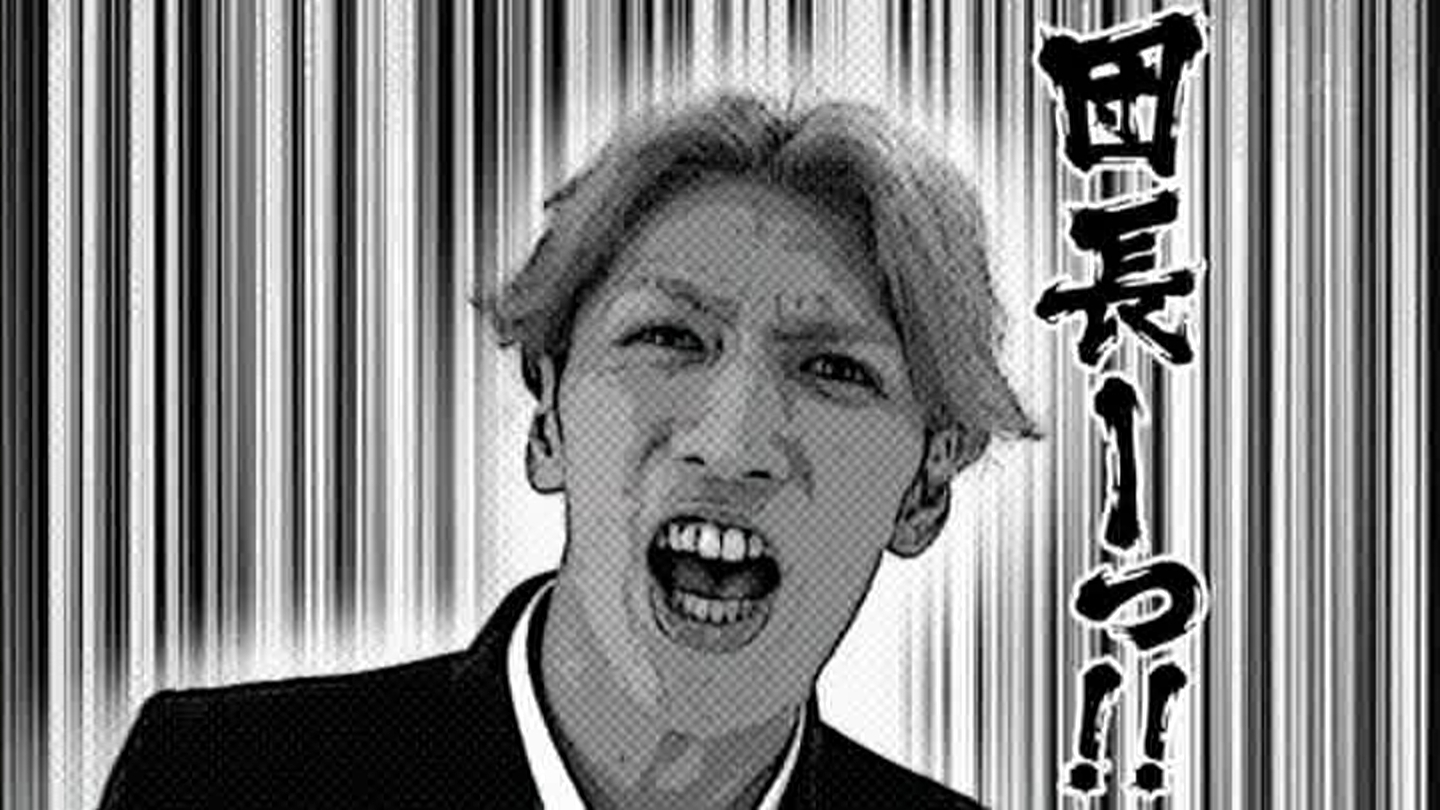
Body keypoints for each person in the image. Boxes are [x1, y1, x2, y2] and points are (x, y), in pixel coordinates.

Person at [99, 92, 1033, 809]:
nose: (733, 443)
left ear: (925, 490)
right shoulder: (220, 781)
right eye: (669, 337)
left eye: (834, 368)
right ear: (548, 419)